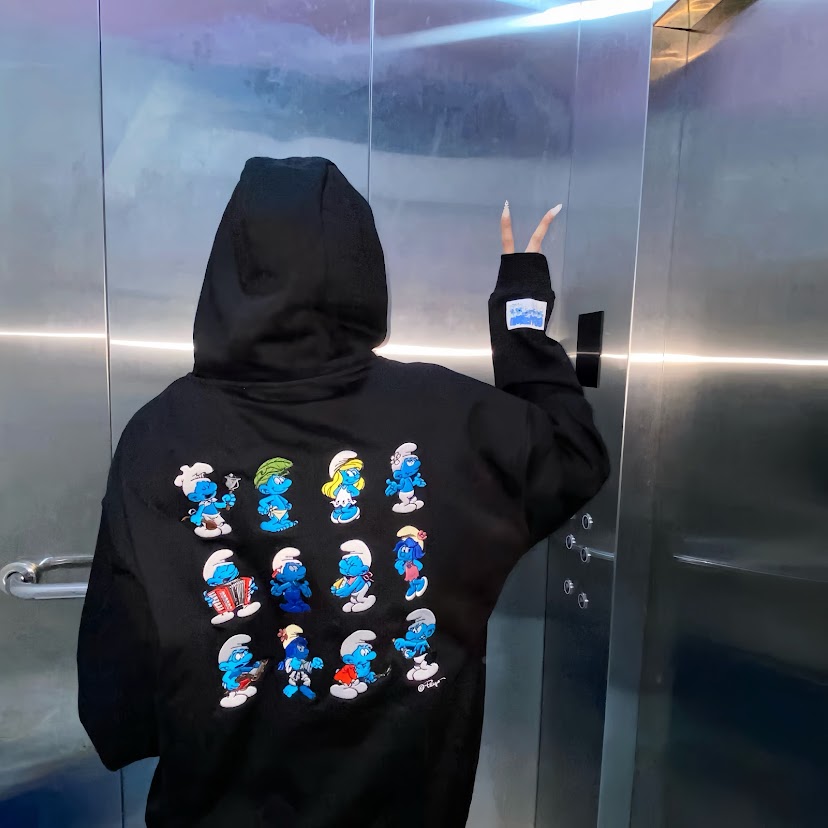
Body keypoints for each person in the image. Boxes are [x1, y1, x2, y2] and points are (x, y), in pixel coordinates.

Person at [77, 157, 609, 827]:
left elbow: (117, 706)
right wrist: (522, 315)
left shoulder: (158, 439)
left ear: (228, 273)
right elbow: (572, 453)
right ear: (364, 273)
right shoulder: (449, 419)